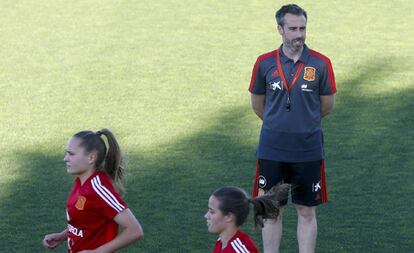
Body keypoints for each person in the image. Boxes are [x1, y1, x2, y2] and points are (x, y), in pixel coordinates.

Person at [248, 4, 336, 253]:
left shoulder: (321, 63)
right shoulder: (264, 63)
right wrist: (279, 124)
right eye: (293, 29)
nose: (299, 34)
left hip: (308, 149)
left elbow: (327, 106)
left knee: (306, 210)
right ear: (280, 29)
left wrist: (303, 122)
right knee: (271, 209)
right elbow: (257, 104)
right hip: (272, 149)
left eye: (303, 28)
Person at [42, 129, 143, 253]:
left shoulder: (98, 189)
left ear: (91, 158)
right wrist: (63, 236)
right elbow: (85, 222)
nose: (65, 159)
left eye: (71, 154)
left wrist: (97, 252)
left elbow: (135, 230)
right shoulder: (81, 182)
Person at [205, 184, 288, 253]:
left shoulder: (239, 250)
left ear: (229, 217)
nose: (206, 216)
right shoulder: (221, 242)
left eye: (212, 212)